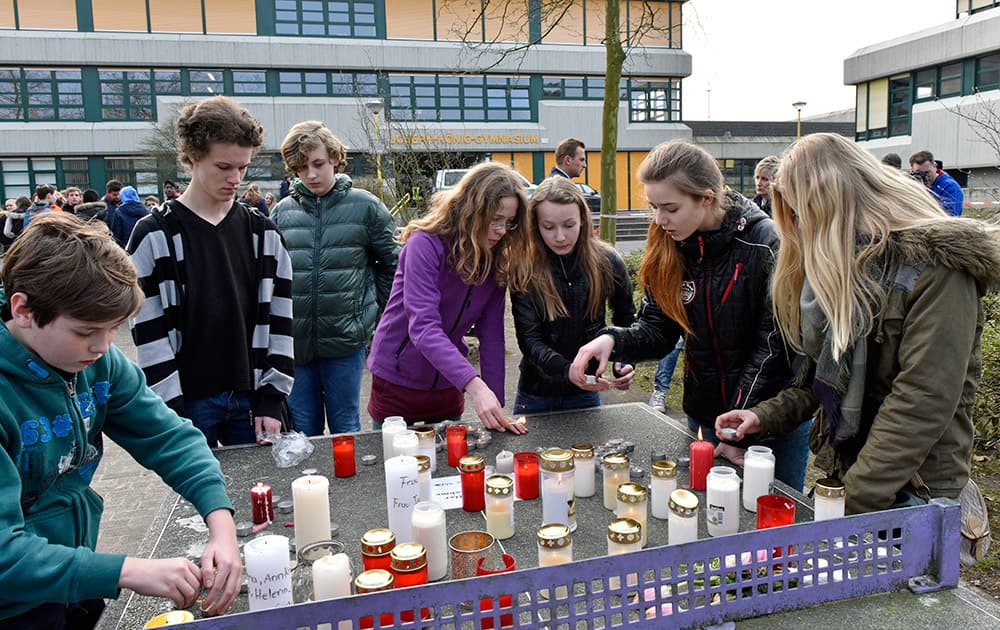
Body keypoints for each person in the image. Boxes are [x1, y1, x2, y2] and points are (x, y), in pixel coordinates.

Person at [716, 133, 999, 513]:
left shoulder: (938, 270)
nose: (801, 227)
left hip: (915, 488)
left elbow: (921, 401)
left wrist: (851, 501)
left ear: (838, 202)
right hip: (851, 472)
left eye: (804, 212)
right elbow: (826, 378)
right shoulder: (849, 265)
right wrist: (764, 416)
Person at [0, 214, 241, 628]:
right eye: (86, 331)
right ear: (23, 310)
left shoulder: (98, 361)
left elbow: (170, 437)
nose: (103, 346)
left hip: (72, 579)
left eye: (114, 329)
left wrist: (221, 526)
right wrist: (126, 571)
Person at [569, 139, 809, 491]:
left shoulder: (765, 244)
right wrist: (612, 339)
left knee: (773, 531)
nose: (659, 219)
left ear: (706, 198)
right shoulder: (670, 241)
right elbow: (658, 329)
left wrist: (738, 425)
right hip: (706, 416)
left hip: (767, 423)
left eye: (669, 207)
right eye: (653, 207)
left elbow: (772, 348)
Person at [128, 95, 295, 447]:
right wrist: (172, 411)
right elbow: (148, 331)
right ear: (191, 157)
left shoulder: (263, 233)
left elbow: (282, 319)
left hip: (251, 398)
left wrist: (272, 396)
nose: (235, 178)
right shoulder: (154, 235)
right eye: (223, 167)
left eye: (243, 168)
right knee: (198, 501)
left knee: (259, 497)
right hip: (188, 403)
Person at [367, 162, 530, 434]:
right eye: (494, 220)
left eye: (509, 222)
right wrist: (476, 386)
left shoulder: (495, 262)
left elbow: (492, 338)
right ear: (470, 211)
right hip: (397, 378)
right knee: (393, 467)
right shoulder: (424, 246)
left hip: (448, 382)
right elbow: (423, 328)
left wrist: (495, 403)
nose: (502, 230)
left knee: (452, 466)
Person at [272, 121, 399, 435]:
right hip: (296, 343)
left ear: (334, 158)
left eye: (317, 164)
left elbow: (393, 264)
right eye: (302, 168)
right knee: (304, 429)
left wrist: (372, 313)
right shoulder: (280, 213)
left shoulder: (365, 206)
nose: (311, 175)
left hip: (345, 340)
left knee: (346, 427)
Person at [511, 177, 635, 414]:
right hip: (535, 393)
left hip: (585, 393)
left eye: (569, 225)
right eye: (549, 227)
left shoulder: (608, 261)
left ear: (583, 221)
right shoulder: (523, 267)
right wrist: (567, 370)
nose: (560, 237)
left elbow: (627, 321)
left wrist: (625, 361)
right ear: (535, 225)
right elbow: (530, 340)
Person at [908, 149, 964, 216]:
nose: (924, 177)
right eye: (919, 173)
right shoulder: (914, 186)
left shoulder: (950, 187)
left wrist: (923, 193)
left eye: (927, 172)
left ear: (934, 166)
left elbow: (949, 217)